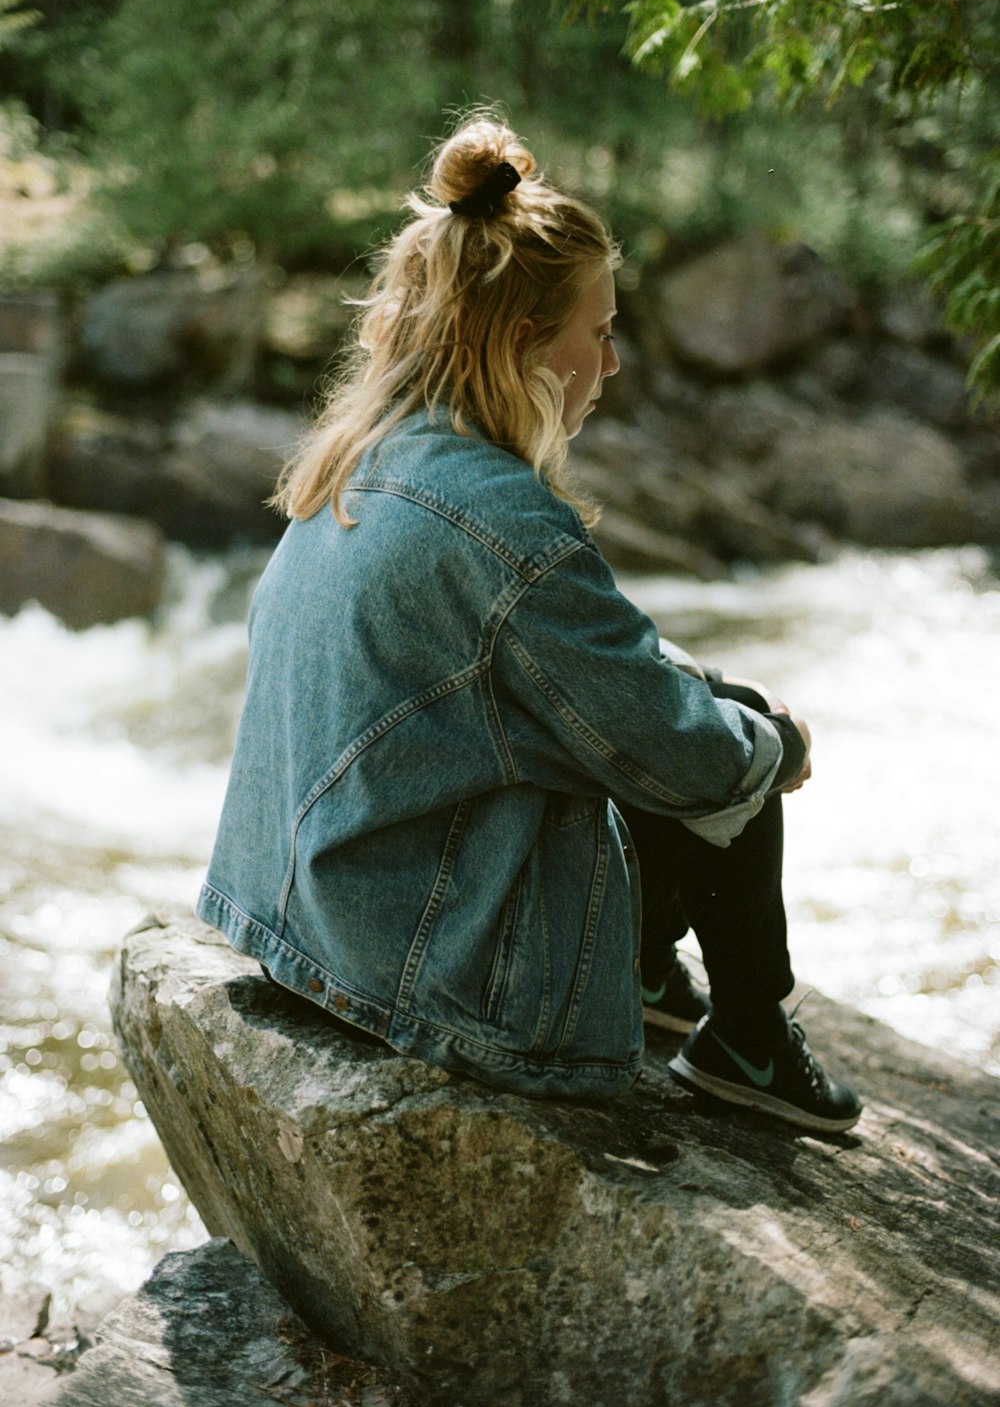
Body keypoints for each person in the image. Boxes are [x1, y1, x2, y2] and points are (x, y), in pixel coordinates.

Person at [197, 115, 860, 1133]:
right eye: (596, 333)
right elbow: (678, 753)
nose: (613, 363)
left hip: (303, 918)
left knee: (662, 691)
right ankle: (750, 1038)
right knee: (731, 735)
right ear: (522, 345)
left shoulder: (364, 455)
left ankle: (643, 975)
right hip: (428, 971)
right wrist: (779, 741)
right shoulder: (507, 525)